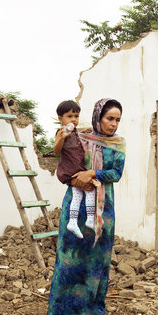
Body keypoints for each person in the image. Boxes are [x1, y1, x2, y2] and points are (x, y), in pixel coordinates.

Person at [47, 98, 126, 315]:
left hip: (103, 209)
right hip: (75, 202)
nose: (113, 124)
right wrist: (75, 178)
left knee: (98, 258)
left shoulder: (118, 144)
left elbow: (116, 173)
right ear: (98, 117)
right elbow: (64, 160)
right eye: (109, 118)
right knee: (70, 255)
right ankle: (64, 310)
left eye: (117, 120)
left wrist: (92, 172)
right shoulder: (79, 136)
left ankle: (95, 309)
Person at [53, 100, 99, 238]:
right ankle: (89, 219)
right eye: (70, 116)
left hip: (78, 169)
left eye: (76, 116)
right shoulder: (61, 131)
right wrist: (62, 138)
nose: (74, 119)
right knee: (90, 189)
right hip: (70, 170)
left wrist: (82, 133)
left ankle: (74, 222)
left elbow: (77, 140)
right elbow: (56, 150)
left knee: (78, 196)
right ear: (61, 119)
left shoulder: (74, 132)